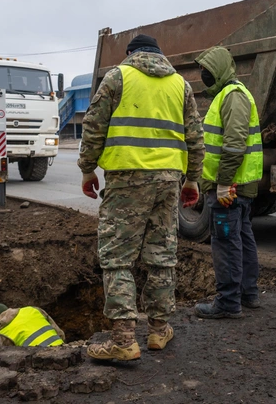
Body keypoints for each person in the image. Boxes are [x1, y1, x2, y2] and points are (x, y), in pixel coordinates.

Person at [78, 34, 204, 361]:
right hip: (169, 182)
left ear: (131, 53)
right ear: (159, 55)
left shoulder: (118, 77)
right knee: (161, 253)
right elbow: (195, 137)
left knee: (118, 256)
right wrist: (192, 179)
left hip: (127, 179)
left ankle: (123, 340)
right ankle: (159, 331)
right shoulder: (180, 85)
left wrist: (88, 169)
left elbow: (93, 126)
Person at [192, 46, 263, 319]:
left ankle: (228, 303)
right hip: (238, 186)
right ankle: (248, 294)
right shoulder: (229, 95)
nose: (203, 76)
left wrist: (223, 183)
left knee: (225, 242)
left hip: (230, 188)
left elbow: (234, 143)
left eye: (207, 71)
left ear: (220, 71)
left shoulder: (232, 96)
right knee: (242, 238)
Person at [0, 303, 65, 347]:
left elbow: (6, 358)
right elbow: (60, 333)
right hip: (63, 351)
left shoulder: (2, 334)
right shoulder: (33, 310)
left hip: (40, 361)